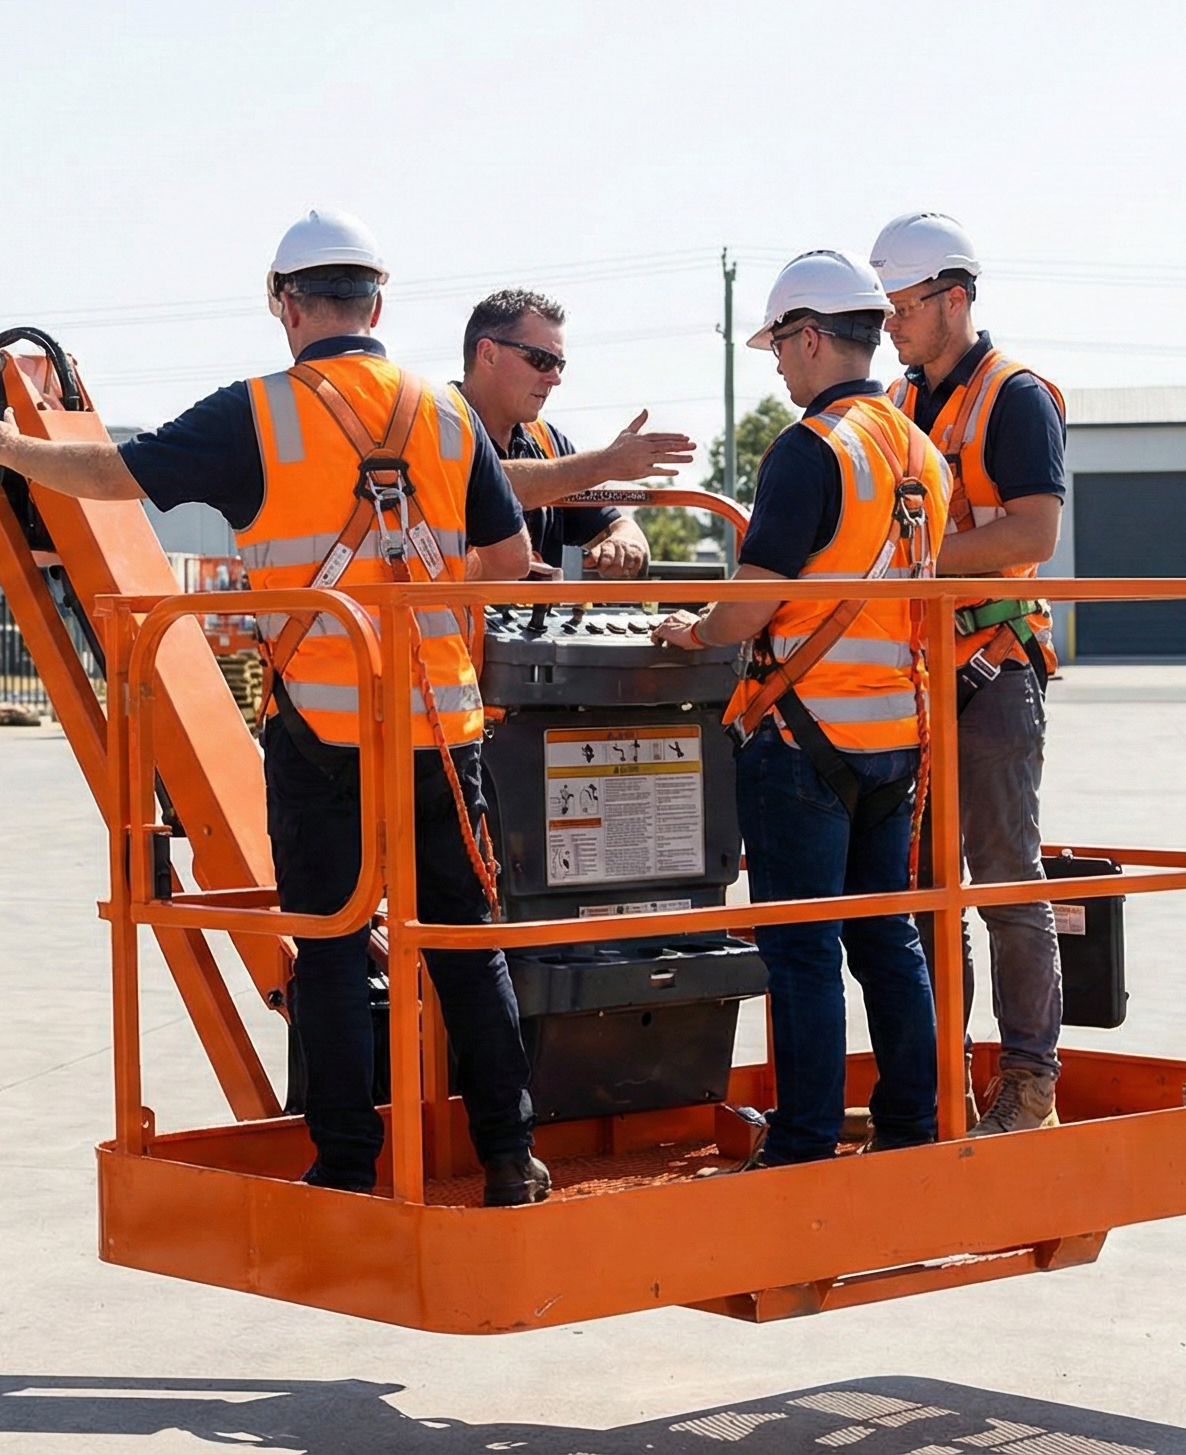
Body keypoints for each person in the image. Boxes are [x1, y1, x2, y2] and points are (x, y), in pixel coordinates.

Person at [0, 209, 551, 1205]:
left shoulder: (257, 413)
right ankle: (507, 1160)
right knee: (463, 943)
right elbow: (505, 561)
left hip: (320, 726)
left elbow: (109, 477)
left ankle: (349, 1166)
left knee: (324, 938)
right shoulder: (449, 416)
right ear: (377, 304)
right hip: (442, 730)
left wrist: (8, 449)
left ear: (284, 305)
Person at [648, 251, 952, 1168]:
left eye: (781, 344)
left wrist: (689, 633)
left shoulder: (812, 450)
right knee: (888, 940)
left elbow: (749, 607)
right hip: (896, 738)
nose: (778, 364)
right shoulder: (921, 453)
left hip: (802, 739)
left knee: (804, 953)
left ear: (812, 336)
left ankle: (806, 1143)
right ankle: (913, 1127)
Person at [871, 212, 1069, 1134]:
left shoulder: (1013, 397)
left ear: (954, 298)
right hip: (916, 678)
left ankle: (1029, 1083)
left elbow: (1033, 532)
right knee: (924, 890)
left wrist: (928, 562)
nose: (891, 325)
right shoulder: (898, 406)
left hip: (990, 674)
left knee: (1002, 881)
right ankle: (941, 1080)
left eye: (903, 307)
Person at [455, 288, 695, 578]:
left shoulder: (545, 441)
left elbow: (618, 526)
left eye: (560, 364)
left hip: (530, 622)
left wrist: (623, 544)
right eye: (541, 360)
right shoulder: (433, 425)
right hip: (452, 622)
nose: (555, 378)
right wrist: (605, 463)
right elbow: (481, 483)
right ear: (488, 354)